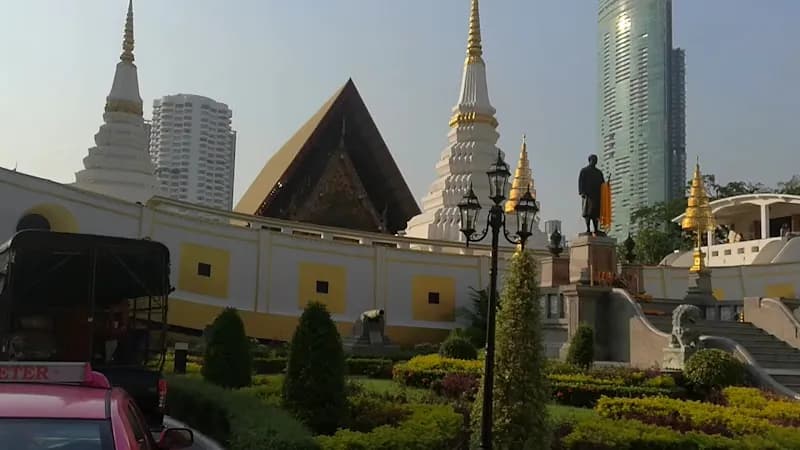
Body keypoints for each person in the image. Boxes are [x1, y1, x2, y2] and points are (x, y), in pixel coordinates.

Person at [578, 154, 606, 235]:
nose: (595, 161)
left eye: (596, 159)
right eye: (593, 159)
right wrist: (582, 192)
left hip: (597, 196)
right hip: (587, 195)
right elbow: (581, 182)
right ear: (589, 160)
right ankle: (588, 229)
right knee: (587, 213)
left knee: (596, 213)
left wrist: (606, 186)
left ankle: (596, 229)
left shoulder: (599, 172)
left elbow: (602, 184)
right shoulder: (584, 171)